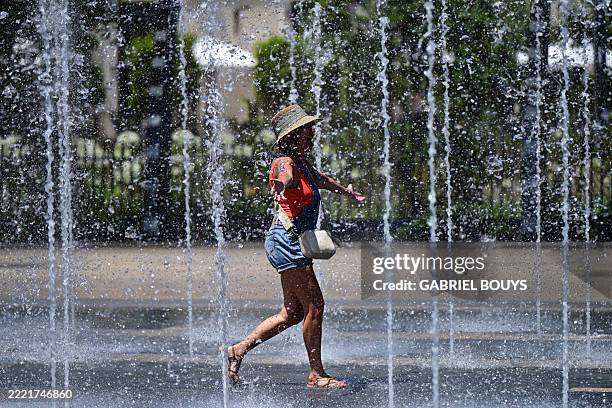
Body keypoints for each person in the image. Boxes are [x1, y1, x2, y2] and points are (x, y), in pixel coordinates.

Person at [227, 104, 366, 389]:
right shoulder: (285, 161)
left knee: (292, 312)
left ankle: (238, 349)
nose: (311, 133)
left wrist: (347, 192)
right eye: (306, 129)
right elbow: (283, 174)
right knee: (315, 305)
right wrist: (281, 183)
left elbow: (322, 180)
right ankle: (317, 374)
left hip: (289, 242)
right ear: (293, 135)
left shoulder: (302, 163)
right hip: (286, 240)